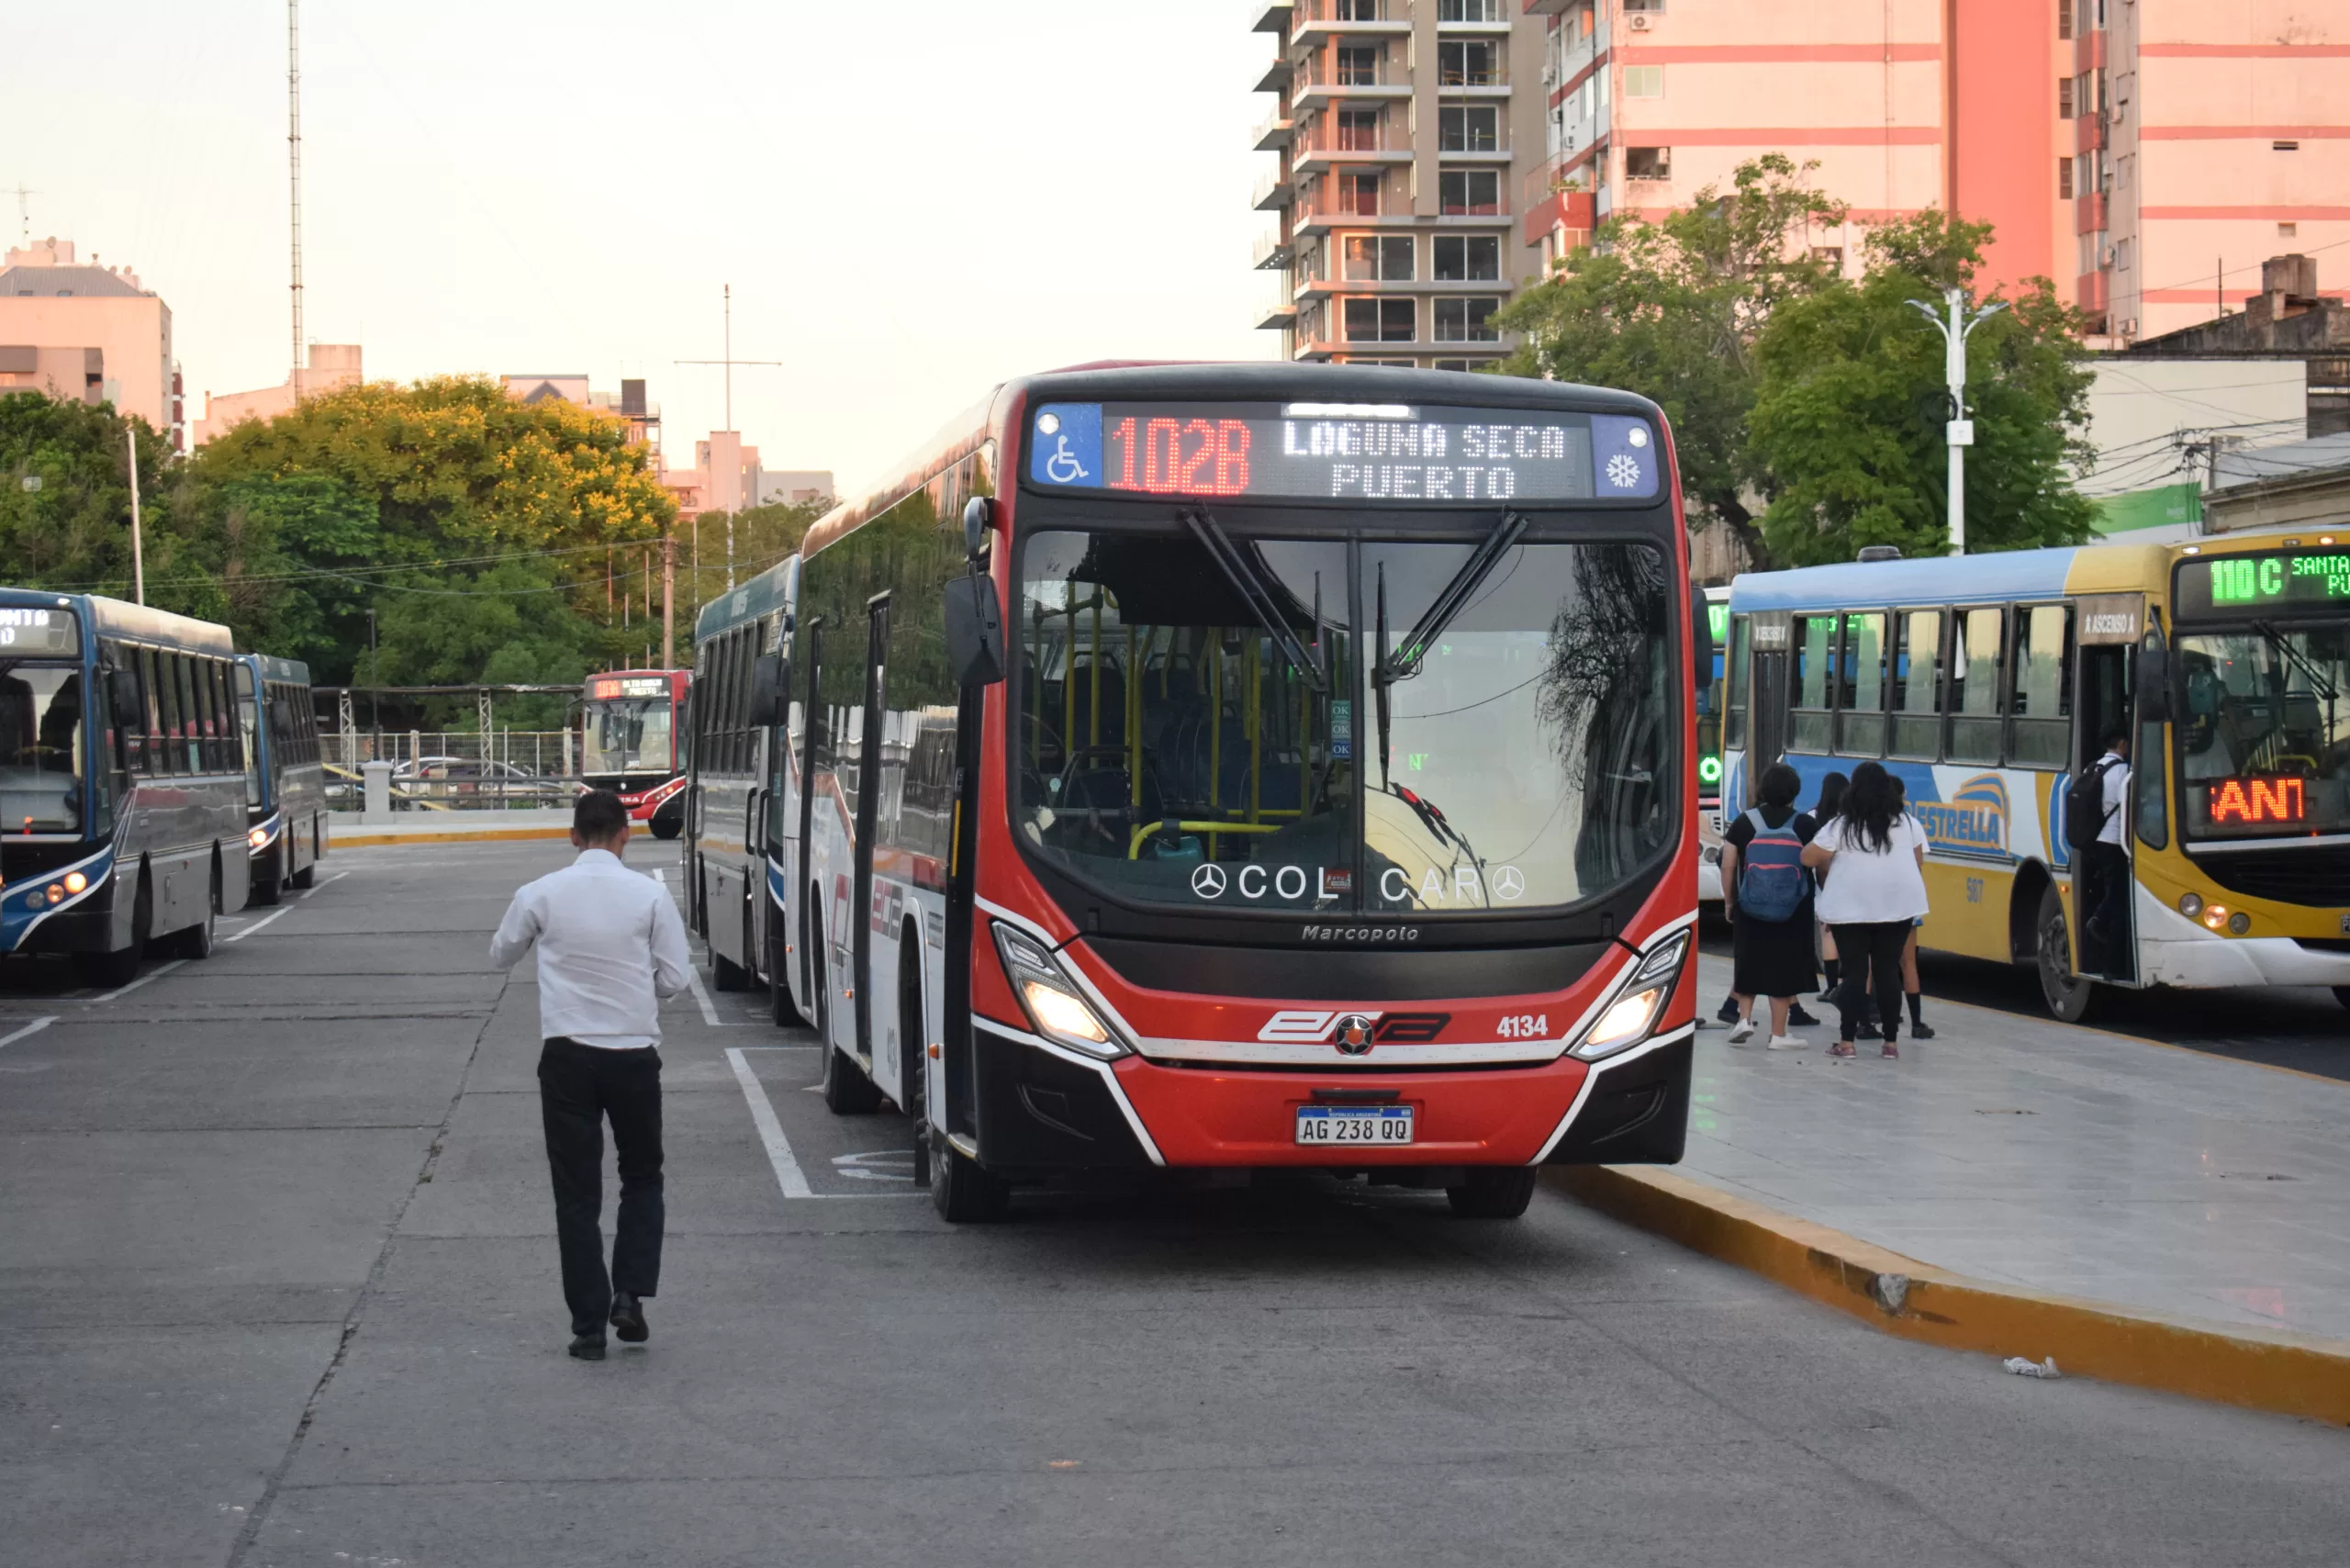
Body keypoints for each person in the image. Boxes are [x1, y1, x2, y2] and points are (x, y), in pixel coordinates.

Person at [489, 789, 691, 1360]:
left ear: (574, 836)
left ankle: (587, 1328)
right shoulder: (648, 895)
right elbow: (675, 978)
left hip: (568, 1056)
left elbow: (500, 953)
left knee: (576, 1194)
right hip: (632, 1055)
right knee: (642, 1176)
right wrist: (633, 988)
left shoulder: (541, 893)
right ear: (626, 834)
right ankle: (628, 1295)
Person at [1802, 761, 1929, 1059]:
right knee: (1887, 972)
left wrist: (1833, 862)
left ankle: (1847, 1043)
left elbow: (1807, 856)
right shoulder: (1908, 823)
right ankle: (1891, 1044)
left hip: (1851, 909)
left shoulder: (1841, 825)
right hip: (1898, 907)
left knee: (1855, 974)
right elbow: (1918, 861)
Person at [1720, 763, 1818, 1049]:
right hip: (1793, 909)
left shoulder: (1744, 823)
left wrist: (1730, 901)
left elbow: (1728, 865)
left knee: (1749, 960)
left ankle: (1743, 1020)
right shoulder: (1804, 825)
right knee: (1784, 967)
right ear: (1794, 791)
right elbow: (1820, 865)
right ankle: (1778, 1035)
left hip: (1750, 905)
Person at [1886, 776, 1935, 1041]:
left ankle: (1872, 1019)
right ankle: (1917, 1023)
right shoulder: (1911, 823)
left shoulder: (1869, 822)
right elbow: (1918, 862)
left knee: (1876, 964)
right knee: (1909, 963)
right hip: (1907, 902)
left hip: (1877, 903)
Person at [2082, 727, 2133, 979]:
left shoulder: (2092, 768)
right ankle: (2111, 964)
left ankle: (2106, 959)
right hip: (2116, 842)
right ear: (2122, 744)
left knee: (2112, 892)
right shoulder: (2124, 772)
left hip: (2096, 841)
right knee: (2118, 901)